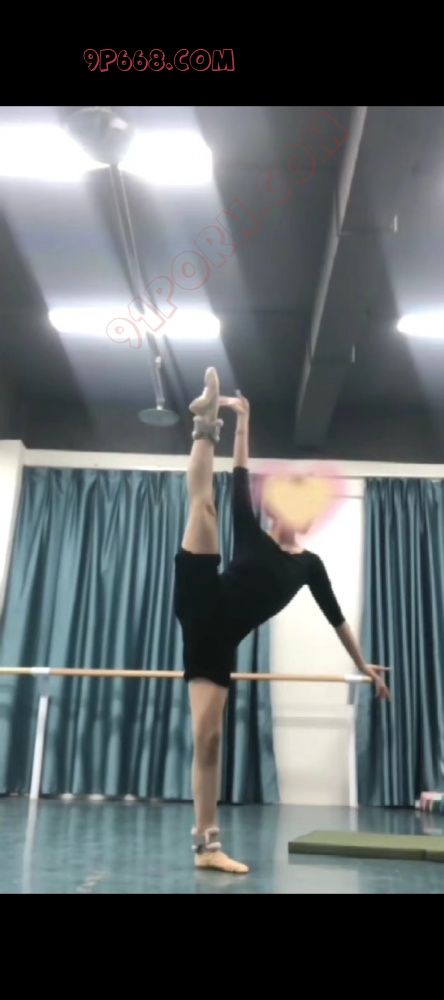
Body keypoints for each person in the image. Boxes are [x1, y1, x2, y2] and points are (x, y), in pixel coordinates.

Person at [174, 368, 390, 874]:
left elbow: (337, 619)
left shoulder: (308, 566)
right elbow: (240, 472)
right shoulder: (250, 531)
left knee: (209, 739)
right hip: (200, 595)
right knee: (204, 509)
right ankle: (205, 422)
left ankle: (207, 848)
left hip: (218, 639)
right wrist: (241, 420)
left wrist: (363, 664)